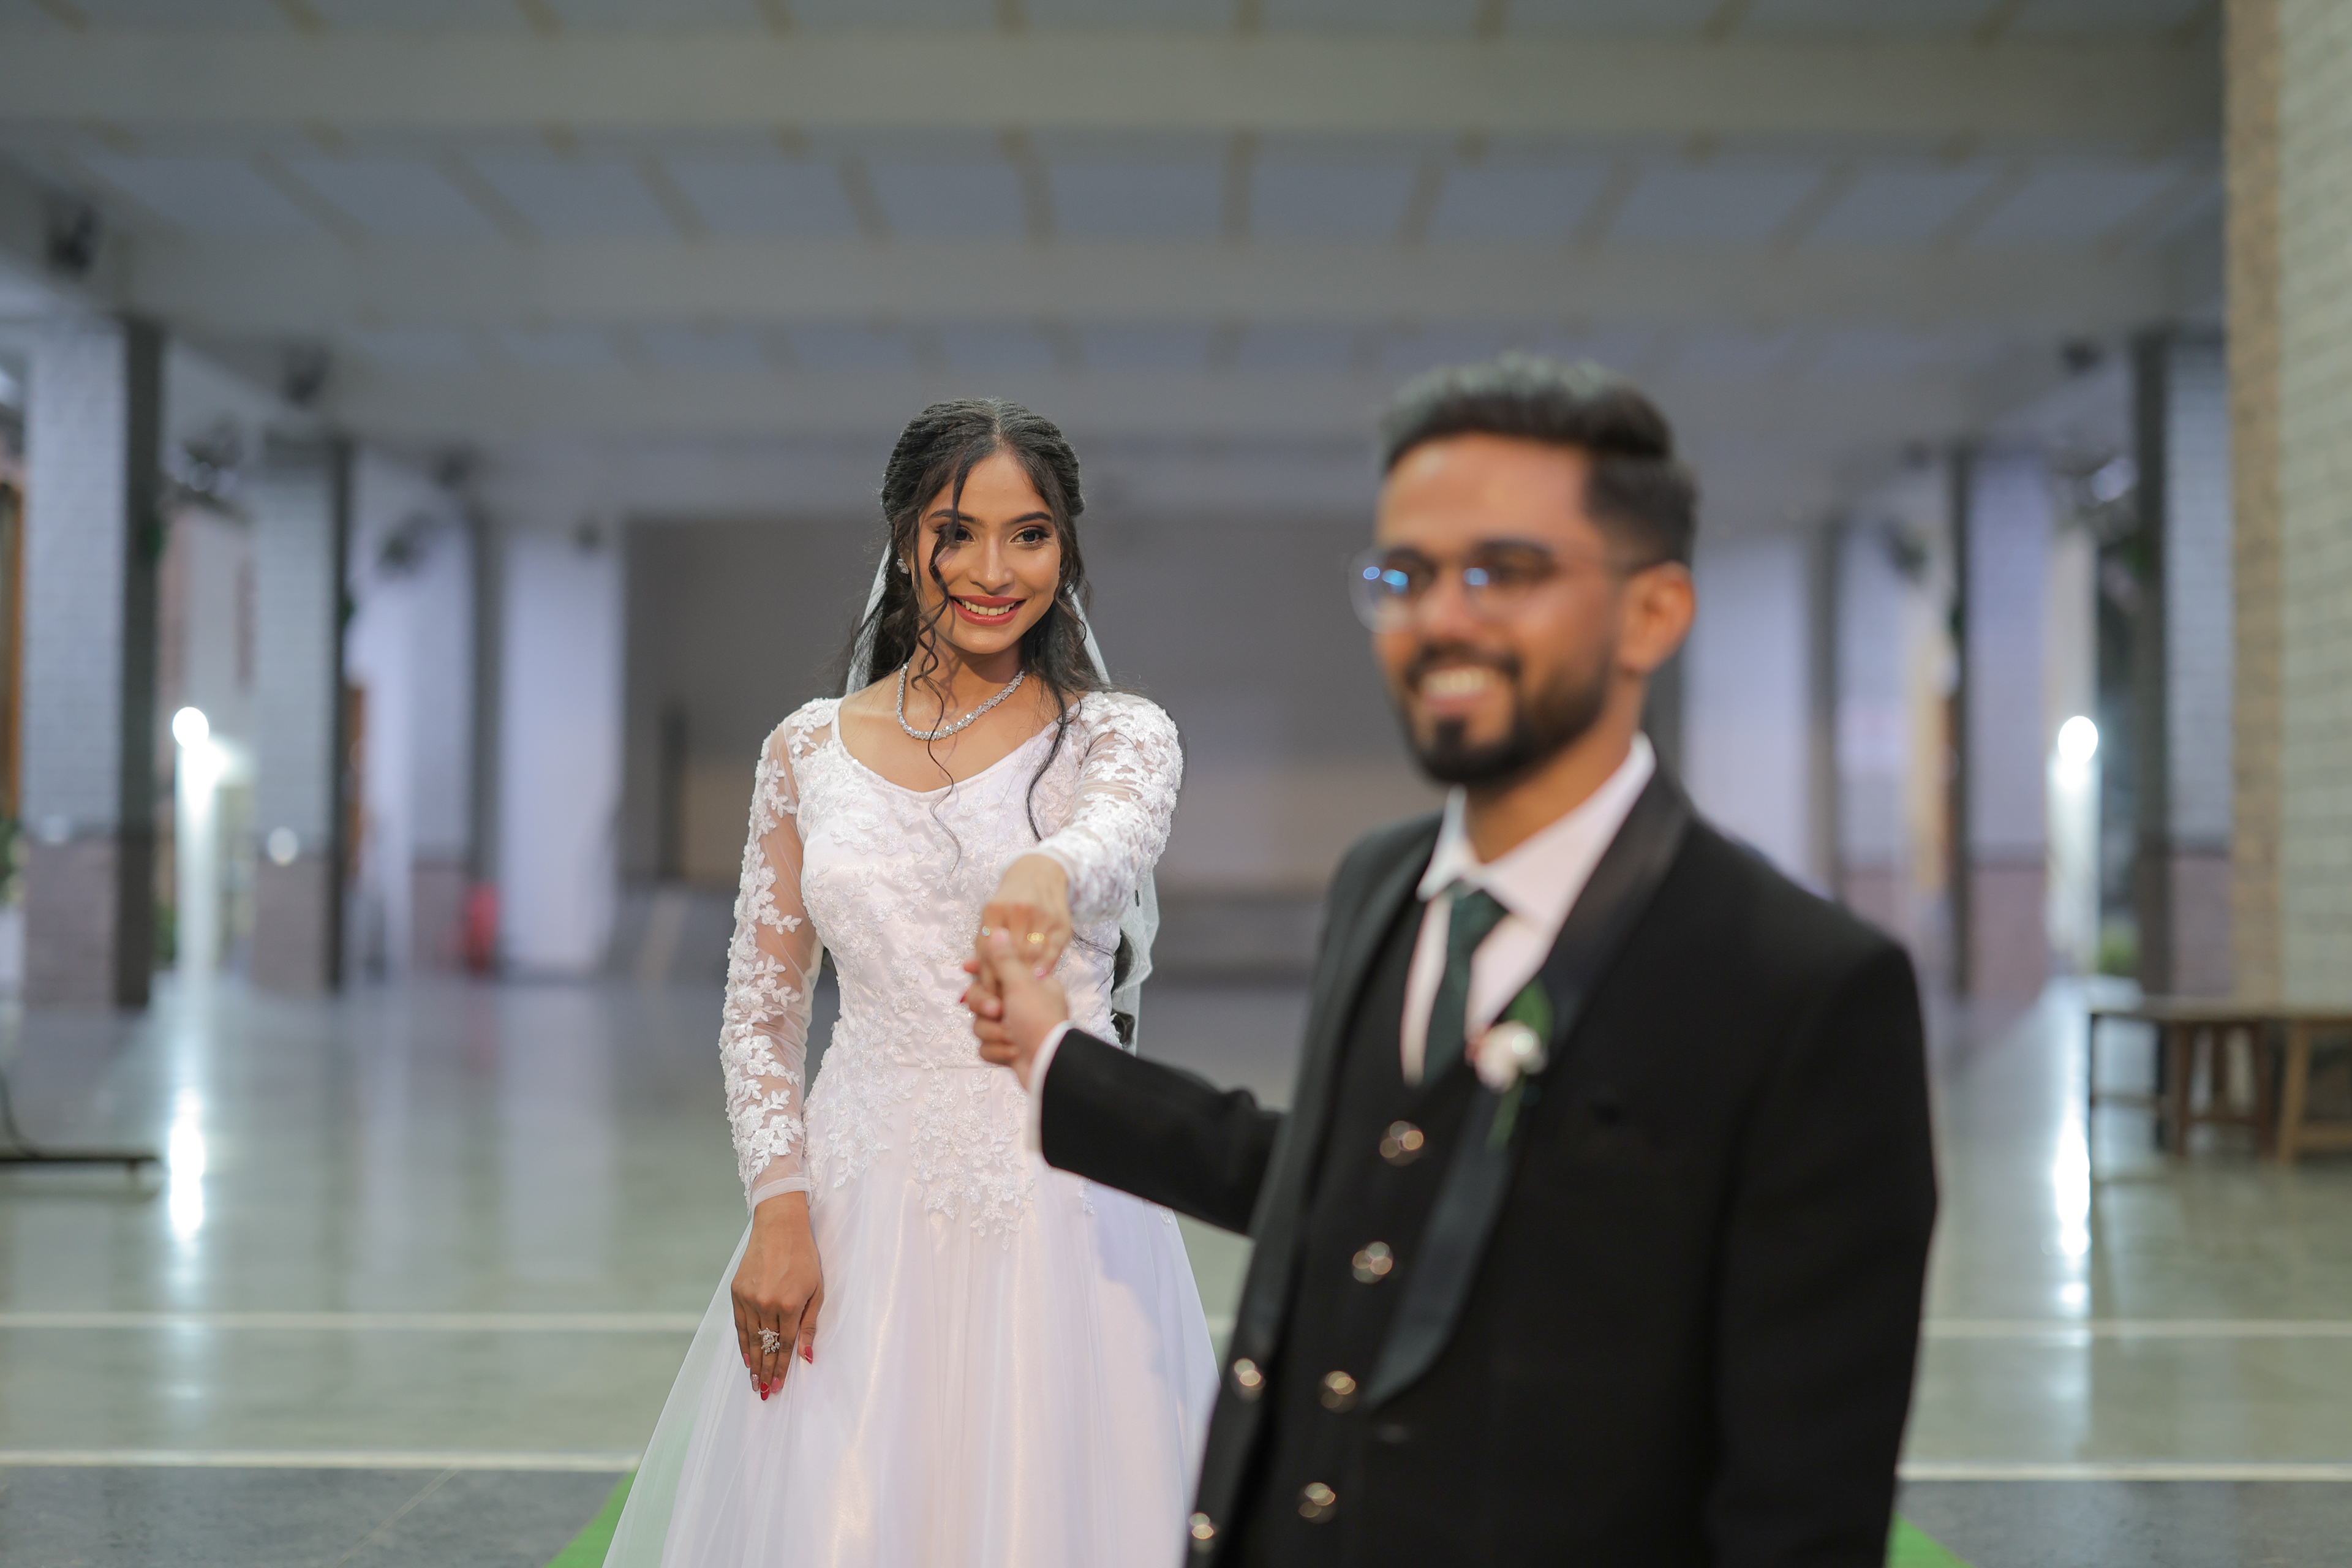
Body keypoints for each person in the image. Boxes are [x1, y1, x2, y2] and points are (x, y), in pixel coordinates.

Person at [966, 355, 1938, 1567]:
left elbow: (1801, 1512)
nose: (1443, 617)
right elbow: (1340, 1189)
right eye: (1408, 575)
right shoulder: (1382, 884)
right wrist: (1059, 1057)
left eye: (1504, 571)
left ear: (1653, 612)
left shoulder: (1802, 986)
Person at [605, 398, 1216, 1567]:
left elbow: (1114, 838)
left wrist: (1047, 870)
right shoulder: (806, 751)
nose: (993, 572)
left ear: (1066, 548)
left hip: (1068, 1201)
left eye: (1030, 535)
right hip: (858, 1201)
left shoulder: (1117, 736)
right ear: (903, 540)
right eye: (957, 533)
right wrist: (779, 1208)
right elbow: (761, 1010)